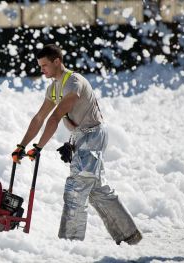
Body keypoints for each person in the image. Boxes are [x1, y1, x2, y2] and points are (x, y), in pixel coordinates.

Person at [11, 44, 142, 245]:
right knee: (97, 189)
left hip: (93, 136)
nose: (42, 69)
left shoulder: (73, 82)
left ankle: (69, 244)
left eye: (45, 65)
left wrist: (38, 147)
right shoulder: (54, 88)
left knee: (76, 189)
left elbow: (54, 117)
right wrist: (21, 146)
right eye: (40, 66)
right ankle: (129, 235)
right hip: (81, 137)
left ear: (57, 61)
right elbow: (39, 118)